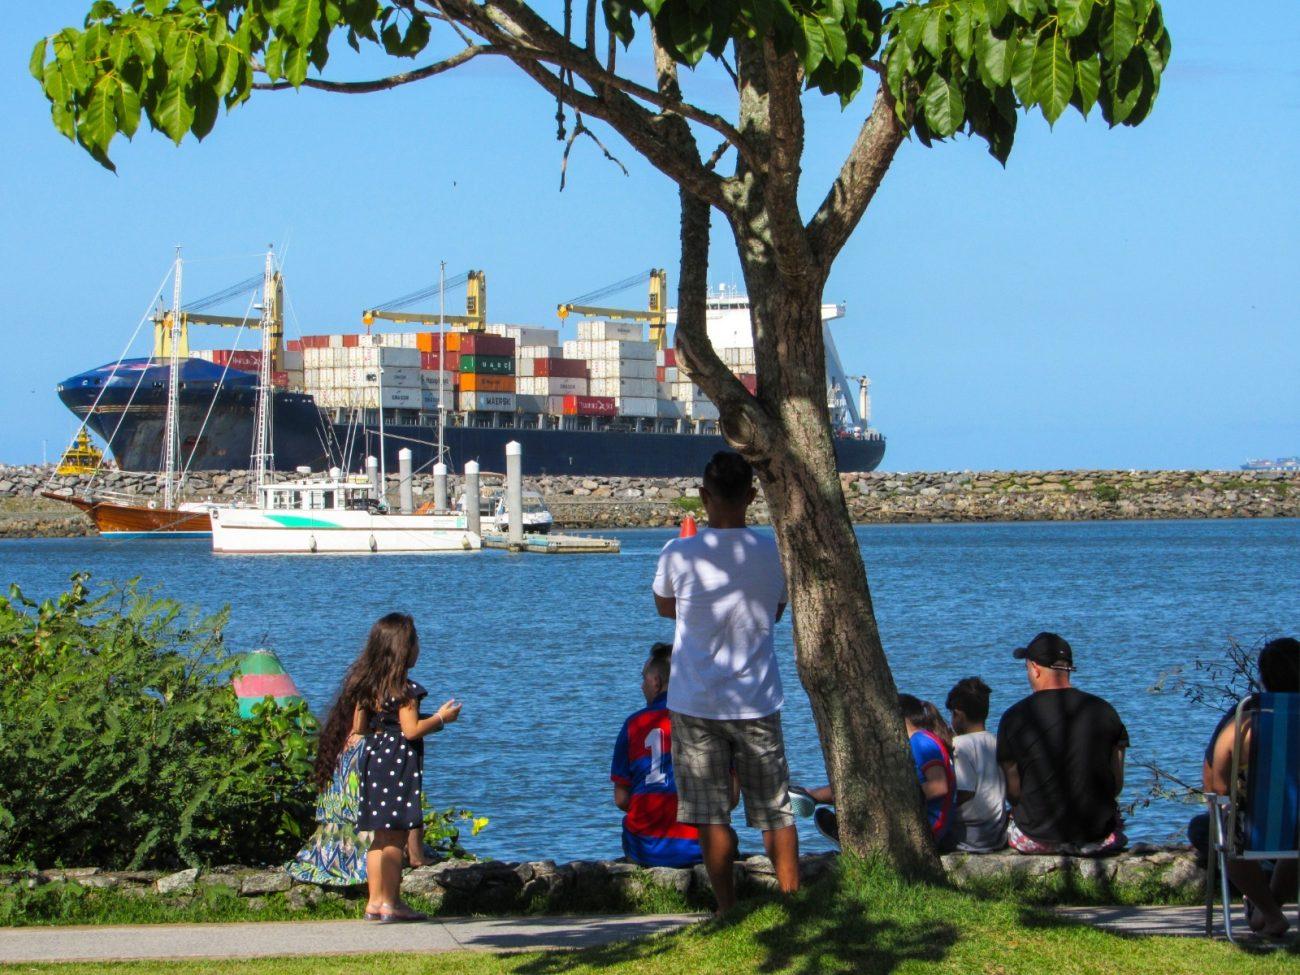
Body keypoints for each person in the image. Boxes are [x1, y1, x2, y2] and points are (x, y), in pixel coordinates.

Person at [653, 450, 798, 913]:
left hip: (696, 702)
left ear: (704, 496)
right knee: (775, 811)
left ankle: (727, 909)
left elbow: (664, 607)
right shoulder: (775, 551)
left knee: (710, 815)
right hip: (757, 698)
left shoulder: (679, 551)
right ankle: (792, 902)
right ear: (752, 496)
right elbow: (776, 611)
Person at [333, 612, 462, 922]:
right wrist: (441, 718)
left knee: (378, 837)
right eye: (415, 642)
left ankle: (374, 901)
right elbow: (410, 730)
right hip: (398, 764)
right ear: (404, 648)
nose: (419, 648)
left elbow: (360, 728)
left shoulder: (368, 686)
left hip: (374, 760)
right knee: (396, 836)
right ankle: (392, 902)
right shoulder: (406, 689)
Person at [1188, 637, 1299, 939]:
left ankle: (1270, 912)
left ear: (1263, 677)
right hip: (1296, 827)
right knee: (1294, 842)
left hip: (1257, 829)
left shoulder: (1247, 719)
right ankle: (1269, 908)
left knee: (1215, 828)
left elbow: (1215, 786)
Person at [997, 632, 1128, 855]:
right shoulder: (1104, 711)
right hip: (1097, 837)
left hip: (1035, 837)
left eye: (1027, 668)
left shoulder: (1014, 717)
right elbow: (1116, 785)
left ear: (1035, 668)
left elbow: (1013, 792)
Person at [797, 694, 957, 852]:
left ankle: (815, 799)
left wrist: (893, 795)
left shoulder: (920, 741)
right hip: (927, 825)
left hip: (929, 829)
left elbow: (939, 787)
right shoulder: (924, 739)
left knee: (870, 790)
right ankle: (814, 797)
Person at [610, 643, 704, 867]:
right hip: (698, 847)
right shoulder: (705, 723)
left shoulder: (633, 725)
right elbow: (730, 798)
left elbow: (621, 799)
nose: (641, 686)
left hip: (646, 848)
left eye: (644, 679)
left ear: (656, 682)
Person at [945, 676, 1008, 852]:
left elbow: (963, 793)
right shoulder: (996, 741)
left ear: (958, 714)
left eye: (952, 714)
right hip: (996, 833)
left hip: (969, 836)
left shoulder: (960, 745)